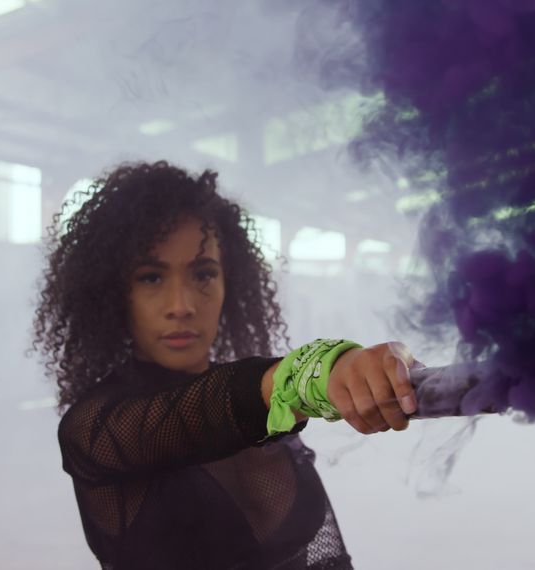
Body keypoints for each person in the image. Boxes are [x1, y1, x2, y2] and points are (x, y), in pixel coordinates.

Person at [33, 161, 421, 569]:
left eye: (203, 273)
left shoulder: (262, 416)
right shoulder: (96, 428)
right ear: (114, 293)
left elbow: (327, 556)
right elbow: (193, 414)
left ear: (228, 286)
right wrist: (310, 375)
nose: (181, 306)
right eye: (151, 277)